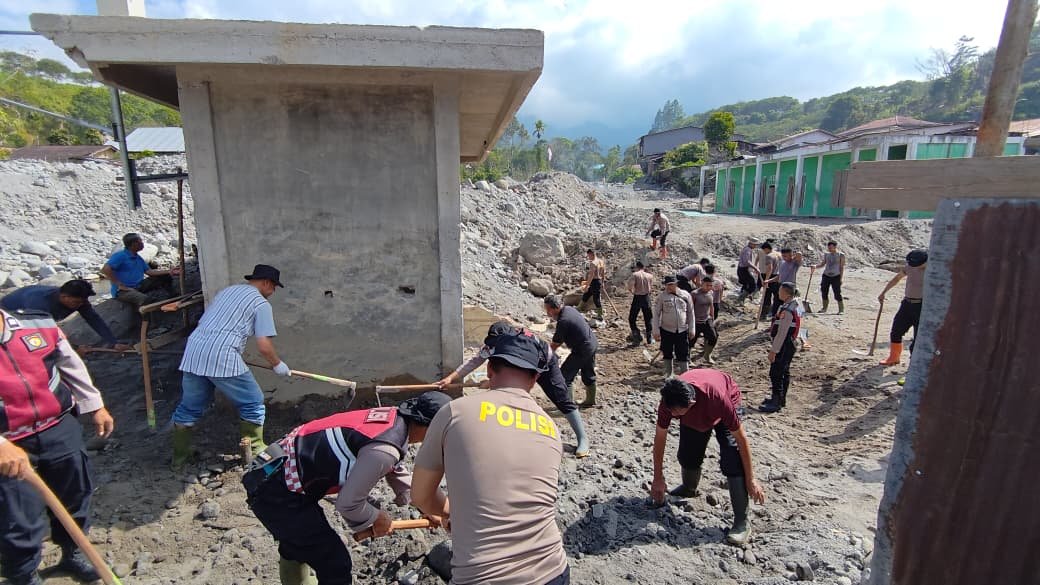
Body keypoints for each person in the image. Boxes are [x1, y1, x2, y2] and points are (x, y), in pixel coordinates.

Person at [243, 391, 451, 585]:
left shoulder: (394, 420)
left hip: (275, 470)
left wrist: (432, 508)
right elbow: (348, 504)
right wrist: (377, 517)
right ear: (431, 428)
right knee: (335, 563)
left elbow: (396, 471)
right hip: (275, 489)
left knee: (299, 542)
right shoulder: (385, 449)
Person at [412, 333, 571, 585]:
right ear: (534, 379)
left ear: (489, 369)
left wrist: (451, 513)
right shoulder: (551, 427)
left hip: (484, 576)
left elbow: (421, 496)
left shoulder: (455, 412)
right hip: (553, 571)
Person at [0, 308, 115, 585]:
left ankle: (74, 552)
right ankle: (23, 575)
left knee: (75, 494)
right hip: (7, 444)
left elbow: (69, 362)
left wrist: (94, 404)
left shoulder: (37, 322)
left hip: (57, 426)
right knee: (17, 516)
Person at [171, 264, 291, 469]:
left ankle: (179, 458)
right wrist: (278, 364)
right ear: (266, 283)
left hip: (194, 350)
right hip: (222, 354)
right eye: (274, 287)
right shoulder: (261, 304)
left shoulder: (227, 292)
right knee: (253, 402)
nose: (273, 292)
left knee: (190, 406)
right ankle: (255, 450)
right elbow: (264, 346)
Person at [435, 321, 590, 458]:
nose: (493, 345)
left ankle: (583, 438)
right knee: (506, 397)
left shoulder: (520, 345)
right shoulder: (497, 343)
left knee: (561, 399)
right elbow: (476, 360)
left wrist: (492, 381)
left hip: (545, 364)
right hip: (523, 368)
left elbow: (518, 374)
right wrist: (451, 378)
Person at [649, 370, 766, 546]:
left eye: (678, 413)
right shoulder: (669, 401)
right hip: (697, 410)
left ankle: (742, 522)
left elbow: (741, 439)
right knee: (688, 455)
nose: (674, 416)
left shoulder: (718, 398)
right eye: (673, 413)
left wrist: (751, 479)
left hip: (724, 402)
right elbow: (660, 438)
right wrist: (658, 478)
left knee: (732, 458)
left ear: (691, 403)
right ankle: (689, 488)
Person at [0, 280, 128, 350]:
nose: (79, 305)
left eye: (82, 302)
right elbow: (41, 331)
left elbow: (94, 319)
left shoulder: (80, 301)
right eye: (76, 302)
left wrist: (113, 342)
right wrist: (73, 348)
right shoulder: (40, 304)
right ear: (64, 296)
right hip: (11, 313)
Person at [543, 295, 599, 408]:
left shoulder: (563, 321)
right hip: (591, 343)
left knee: (564, 377)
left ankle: (567, 408)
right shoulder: (569, 309)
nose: (547, 313)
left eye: (548, 310)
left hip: (582, 349)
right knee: (588, 373)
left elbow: (555, 344)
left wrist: (545, 356)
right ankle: (590, 401)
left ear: (555, 308)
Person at [101, 232, 180, 307]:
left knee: (165, 276)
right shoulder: (121, 256)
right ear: (133, 244)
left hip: (138, 285)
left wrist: (169, 271)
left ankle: (172, 296)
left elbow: (149, 271)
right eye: (140, 241)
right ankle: (146, 315)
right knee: (145, 300)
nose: (142, 243)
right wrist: (119, 284)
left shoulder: (137, 257)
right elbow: (105, 269)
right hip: (123, 290)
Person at [878, 249, 928, 367]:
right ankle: (894, 357)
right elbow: (897, 278)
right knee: (896, 330)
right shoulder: (910, 266)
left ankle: (914, 364)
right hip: (907, 304)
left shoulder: (933, 271)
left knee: (918, 337)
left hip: (922, 306)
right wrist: (884, 292)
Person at [760, 282, 801, 413]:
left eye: (780, 291)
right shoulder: (793, 305)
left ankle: (776, 401)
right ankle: (780, 398)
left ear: (786, 293)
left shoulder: (787, 310)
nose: (778, 293)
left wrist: (774, 351)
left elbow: (782, 333)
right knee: (784, 371)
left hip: (784, 344)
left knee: (776, 372)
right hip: (789, 343)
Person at [652, 275, 695, 378]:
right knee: (667, 352)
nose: (669, 287)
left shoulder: (686, 295)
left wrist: (692, 328)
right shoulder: (662, 297)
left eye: (671, 284)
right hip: (667, 330)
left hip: (682, 330)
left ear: (676, 284)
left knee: (683, 352)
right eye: (667, 285)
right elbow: (656, 314)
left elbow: (691, 313)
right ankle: (669, 375)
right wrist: (656, 331)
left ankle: (685, 376)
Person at [625, 261, 654, 346]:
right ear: (643, 267)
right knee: (648, 318)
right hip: (646, 298)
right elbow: (651, 287)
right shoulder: (650, 276)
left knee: (632, 318)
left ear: (637, 267)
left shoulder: (635, 275)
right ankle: (649, 338)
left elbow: (630, 285)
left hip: (637, 297)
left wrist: (632, 291)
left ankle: (636, 336)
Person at [767, 248, 802, 317]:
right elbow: (779, 276)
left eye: (786, 256)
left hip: (789, 287)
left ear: (791, 255)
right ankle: (775, 318)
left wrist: (792, 257)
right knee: (776, 303)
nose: (784, 258)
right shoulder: (782, 263)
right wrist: (769, 281)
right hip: (780, 285)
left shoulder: (795, 263)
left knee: (787, 304)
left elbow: (799, 254)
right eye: (783, 256)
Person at [691, 277, 719, 365]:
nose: (709, 287)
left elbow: (711, 306)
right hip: (696, 321)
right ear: (702, 283)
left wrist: (712, 318)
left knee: (713, 337)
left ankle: (707, 355)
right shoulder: (694, 294)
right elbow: (690, 308)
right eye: (707, 285)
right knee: (691, 340)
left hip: (707, 319)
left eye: (711, 285)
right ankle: (687, 358)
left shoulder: (710, 293)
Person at [813, 241, 846, 314]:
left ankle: (841, 309)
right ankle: (824, 308)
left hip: (836, 276)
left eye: (831, 247)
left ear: (835, 247)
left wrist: (840, 278)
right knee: (824, 291)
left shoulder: (841, 255)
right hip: (826, 275)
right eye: (829, 248)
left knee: (837, 293)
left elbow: (841, 267)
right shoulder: (827, 255)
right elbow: (822, 264)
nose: (830, 249)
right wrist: (815, 266)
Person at [580, 249, 606, 325]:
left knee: (596, 299)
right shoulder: (601, 261)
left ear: (591, 254)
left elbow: (591, 276)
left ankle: (600, 315)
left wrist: (586, 286)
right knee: (586, 294)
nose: (588, 258)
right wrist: (602, 282)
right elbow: (603, 273)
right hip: (598, 281)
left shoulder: (593, 263)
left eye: (588, 256)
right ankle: (578, 307)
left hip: (594, 282)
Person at [757, 242, 780, 320]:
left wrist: (766, 280)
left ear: (766, 249)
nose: (764, 252)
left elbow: (769, 268)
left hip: (771, 277)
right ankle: (775, 314)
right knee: (777, 297)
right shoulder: (778, 254)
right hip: (778, 277)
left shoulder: (769, 256)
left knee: (767, 296)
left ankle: (764, 315)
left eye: (764, 250)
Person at [736, 238, 761, 303]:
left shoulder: (746, 249)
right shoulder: (747, 250)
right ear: (751, 244)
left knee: (746, 284)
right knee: (753, 285)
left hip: (742, 269)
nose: (756, 246)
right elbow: (747, 262)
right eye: (755, 245)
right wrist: (756, 268)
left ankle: (742, 299)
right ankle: (741, 298)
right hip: (744, 270)